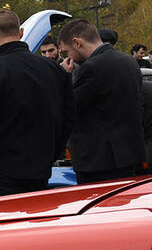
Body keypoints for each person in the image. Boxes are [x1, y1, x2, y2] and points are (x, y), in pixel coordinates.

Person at [0, 10, 74, 197]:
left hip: (1, 172)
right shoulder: (54, 70)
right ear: (21, 33)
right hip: (41, 166)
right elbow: (68, 117)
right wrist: (52, 153)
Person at [58, 19, 145, 184]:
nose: (68, 57)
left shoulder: (91, 68)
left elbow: (70, 107)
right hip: (129, 154)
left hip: (98, 161)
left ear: (77, 43)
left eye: (67, 51)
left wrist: (65, 77)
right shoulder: (128, 61)